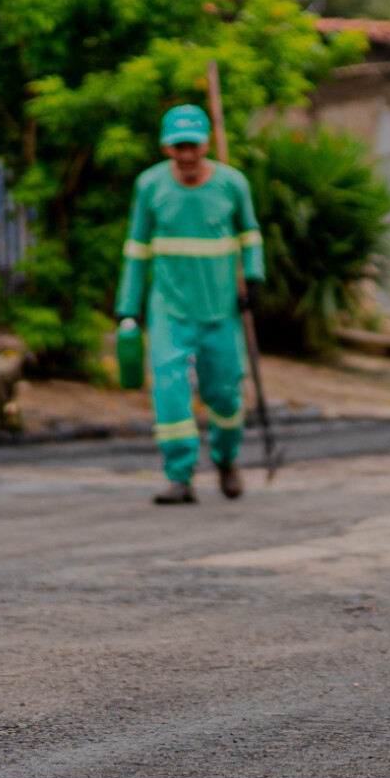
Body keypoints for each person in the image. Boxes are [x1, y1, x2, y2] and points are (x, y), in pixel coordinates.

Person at [116, 106, 265, 505]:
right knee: (169, 391)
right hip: (169, 310)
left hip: (221, 312)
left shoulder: (232, 184)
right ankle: (179, 476)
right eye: (178, 146)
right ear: (166, 147)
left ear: (206, 144)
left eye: (192, 146)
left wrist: (254, 277)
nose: (186, 155)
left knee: (225, 395)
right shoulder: (150, 185)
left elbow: (250, 233)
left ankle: (226, 458)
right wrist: (128, 307)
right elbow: (136, 249)